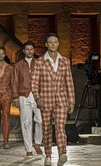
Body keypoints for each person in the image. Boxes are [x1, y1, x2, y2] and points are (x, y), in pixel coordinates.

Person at [31, 33, 75, 166]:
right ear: (46, 44)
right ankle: (48, 156)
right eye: (50, 42)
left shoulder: (65, 61)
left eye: (55, 42)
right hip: (45, 100)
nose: (53, 44)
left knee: (60, 127)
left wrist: (71, 101)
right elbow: (34, 82)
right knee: (47, 128)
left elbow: (69, 82)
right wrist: (37, 98)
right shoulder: (39, 62)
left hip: (61, 100)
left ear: (58, 43)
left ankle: (62, 153)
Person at [12, 41, 43, 158]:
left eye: (31, 49)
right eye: (27, 49)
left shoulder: (40, 63)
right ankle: (29, 148)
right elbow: (14, 81)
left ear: (33, 50)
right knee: (26, 123)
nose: (29, 51)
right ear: (24, 51)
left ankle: (37, 143)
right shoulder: (18, 65)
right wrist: (15, 98)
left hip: (37, 96)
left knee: (40, 120)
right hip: (23, 95)